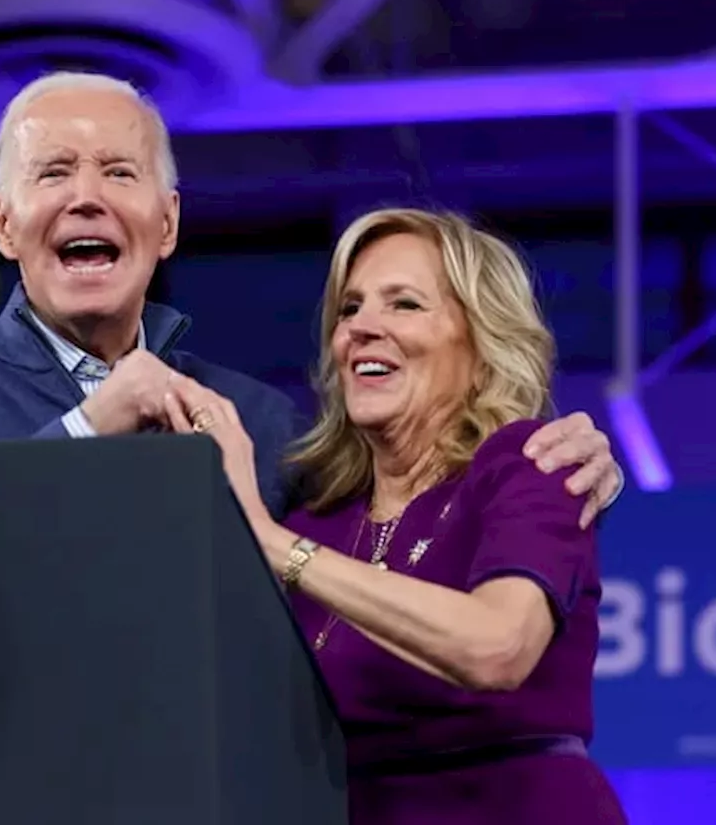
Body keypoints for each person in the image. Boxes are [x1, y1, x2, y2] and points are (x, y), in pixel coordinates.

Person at [0, 70, 624, 522]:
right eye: (54, 172)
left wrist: (541, 470)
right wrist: (88, 425)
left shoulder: (257, 419)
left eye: (119, 172)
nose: (87, 197)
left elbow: (401, 532)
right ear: (4, 224)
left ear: (167, 223)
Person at [162, 208, 628, 824]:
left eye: (404, 305)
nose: (362, 328)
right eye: (350, 309)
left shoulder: (526, 464)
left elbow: (498, 647)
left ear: (481, 340)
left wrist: (272, 548)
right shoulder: (317, 515)